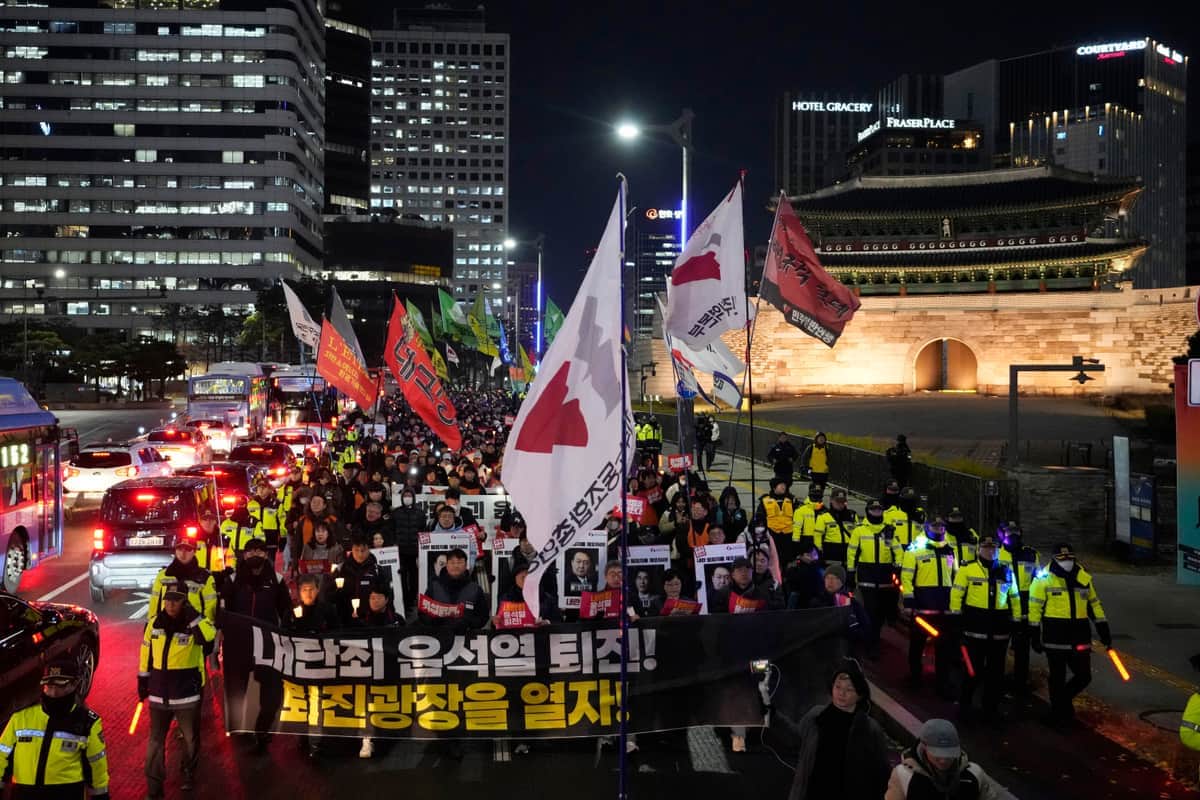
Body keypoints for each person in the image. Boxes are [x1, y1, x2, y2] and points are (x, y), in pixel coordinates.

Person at [139, 579, 216, 797]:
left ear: (185, 602)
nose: (171, 605)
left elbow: (207, 639)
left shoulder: (195, 624)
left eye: (177, 601)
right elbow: (146, 652)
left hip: (186, 695)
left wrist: (193, 616)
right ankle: (154, 789)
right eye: (168, 600)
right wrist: (143, 680)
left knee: (190, 739)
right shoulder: (154, 624)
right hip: (159, 694)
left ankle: (188, 773)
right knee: (155, 742)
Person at [218, 537, 291, 754]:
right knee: (235, 688)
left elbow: (286, 610)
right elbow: (222, 613)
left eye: (259, 551)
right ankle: (237, 726)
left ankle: (263, 729)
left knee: (271, 690)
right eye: (250, 551)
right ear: (244, 554)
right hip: (237, 644)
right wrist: (220, 641)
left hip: (267, 643)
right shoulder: (231, 580)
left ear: (266, 555)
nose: (255, 555)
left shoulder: (277, 580)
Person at [0, 656, 110, 800]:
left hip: (67, 795)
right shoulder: (20, 718)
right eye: (49, 686)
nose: (53, 693)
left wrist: (101, 796)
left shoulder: (87, 723)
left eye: (60, 686)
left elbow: (97, 767)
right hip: (24, 795)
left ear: (75, 684)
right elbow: (2, 757)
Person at [781, 658, 889, 800]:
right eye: (838, 687)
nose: (841, 693)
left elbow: (880, 774)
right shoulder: (816, 715)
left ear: (860, 695)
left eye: (849, 689)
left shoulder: (870, 729)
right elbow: (795, 740)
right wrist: (773, 716)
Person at [1029, 542, 1112, 725]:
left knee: (1084, 676)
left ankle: (1062, 702)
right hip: (1055, 638)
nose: (1066, 561)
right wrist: (1035, 636)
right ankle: (1058, 714)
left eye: (1069, 557)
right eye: (1062, 558)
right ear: (1054, 559)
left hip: (1079, 637)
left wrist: (1103, 630)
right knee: (1057, 678)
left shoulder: (1083, 577)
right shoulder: (1044, 579)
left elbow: (1094, 605)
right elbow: (1034, 609)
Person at [950, 535, 1018, 722]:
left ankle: (991, 709)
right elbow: (956, 594)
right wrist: (956, 618)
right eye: (986, 547)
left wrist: (1017, 620)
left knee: (996, 674)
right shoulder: (968, 569)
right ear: (979, 549)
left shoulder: (1005, 571)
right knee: (972, 671)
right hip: (974, 630)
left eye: (994, 547)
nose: (990, 551)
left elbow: (1015, 596)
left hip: (999, 631)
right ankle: (965, 706)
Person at [901, 513, 959, 695]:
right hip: (922, 606)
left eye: (942, 527)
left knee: (944, 647)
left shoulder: (950, 549)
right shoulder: (915, 549)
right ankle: (915, 677)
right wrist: (909, 601)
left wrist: (956, 603)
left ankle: (942, 682)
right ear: (927, 528)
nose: (939, 529)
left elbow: (955, 576)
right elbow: (907, 576)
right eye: (935, 527)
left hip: (944, 608)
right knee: (917, 644)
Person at [885, 718, 1008, 799]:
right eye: (937, 754)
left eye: (949, 754)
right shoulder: (903, 775)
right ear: (923, 747)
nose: (943, 760)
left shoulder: (974, 774)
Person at [848, 500, 901, 655]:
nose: (877, 511)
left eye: (879, 508)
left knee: (880, 613)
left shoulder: (889, 530)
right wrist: (851, 573)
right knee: (870, 611)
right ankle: (871, 644)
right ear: (868, 510)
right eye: (874, 509)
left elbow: (898, 551)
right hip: (867, 577)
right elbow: (852, 552)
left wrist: (898, 567)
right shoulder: (859, 530)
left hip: (885, 578)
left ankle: (874, 638)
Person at [998, 522, 1040, 693]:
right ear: (1002, 534)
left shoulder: (1031, 554)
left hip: (1025, 608)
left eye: (1016, 532)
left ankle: (1020, 683)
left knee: (1022, 650)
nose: (1013, 535)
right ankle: (997, 681)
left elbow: (1038, 581)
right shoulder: (995, 553)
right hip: (1002, 607)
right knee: (999, 648)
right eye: (1009, 532)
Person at [146, 530, 217, 625]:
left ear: (194, 551)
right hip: (167, 626)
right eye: (180, 549)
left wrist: (205, 630)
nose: (183, 554)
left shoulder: (205, 577)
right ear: (175, 551)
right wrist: (150, 625)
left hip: (193, 629)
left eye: (188, 550)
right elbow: (154, 604)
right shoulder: (163, 575)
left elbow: (210, 608)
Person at [423, 548, 489, 630]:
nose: (456, 566)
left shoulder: (475, 589)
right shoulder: (434, 587)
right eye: (452, 562)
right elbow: (422, 613)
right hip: (439, 636)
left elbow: (484, 616)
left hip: (466, 637)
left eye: (460, 562)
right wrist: (434, 621)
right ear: (447, 566)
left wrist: (468, 622)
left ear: (465, 566)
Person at [338, 532, 388, 624]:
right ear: (352, 550)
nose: (360, 554)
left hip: (371, 619)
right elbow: (335, 596)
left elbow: (386, 595)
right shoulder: (343, 569)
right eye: (356, 550)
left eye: (363, 550)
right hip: (347, 619)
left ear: (369, 550)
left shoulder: (377, 570)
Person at [391, 486, 425, 610]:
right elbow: (392, 530)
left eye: (409, 496)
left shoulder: (420, 513)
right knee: (403, 576)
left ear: (414, 498)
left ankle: (412, 599)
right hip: (400, 551)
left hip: (415, 551)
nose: (407, 498)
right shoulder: (396, 513)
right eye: (405, 496)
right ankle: (404, 600)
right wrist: (394, 543)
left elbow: (423, 531)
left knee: (414, 577)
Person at [756, 477, 797, 566]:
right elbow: (759, 519)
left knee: (788, 563)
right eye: (781, 484)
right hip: (772, 536)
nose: (783, 486)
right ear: (774, 487)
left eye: (785, 485)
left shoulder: (792, 500)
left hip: (788, 538)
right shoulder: (765, 501)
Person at [814, 487, 857, 567]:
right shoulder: (823, 517)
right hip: (830, 559)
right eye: (837, 501)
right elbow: (817, 537)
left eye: (842, 501)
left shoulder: (852, 516)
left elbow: (857, 536)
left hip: (848, 559)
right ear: (831, 500)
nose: (840, 504)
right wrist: (819, 553)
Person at [246, 474, 282, 566]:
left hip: (270, 538)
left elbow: (281, 522)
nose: (261, 489)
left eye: (264, 487)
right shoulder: (251, 504)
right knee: (254, 564)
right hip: (254, 539)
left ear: (270, 489)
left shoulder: (276, 504)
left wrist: (283, 538)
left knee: (269, 564)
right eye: (259, 487)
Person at [784, 539, 825, 610]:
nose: (812, 557)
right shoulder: (795, 568)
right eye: (808, 555)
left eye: (814, 554)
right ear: (800, 556)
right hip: (800, 603)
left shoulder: (820, 569)